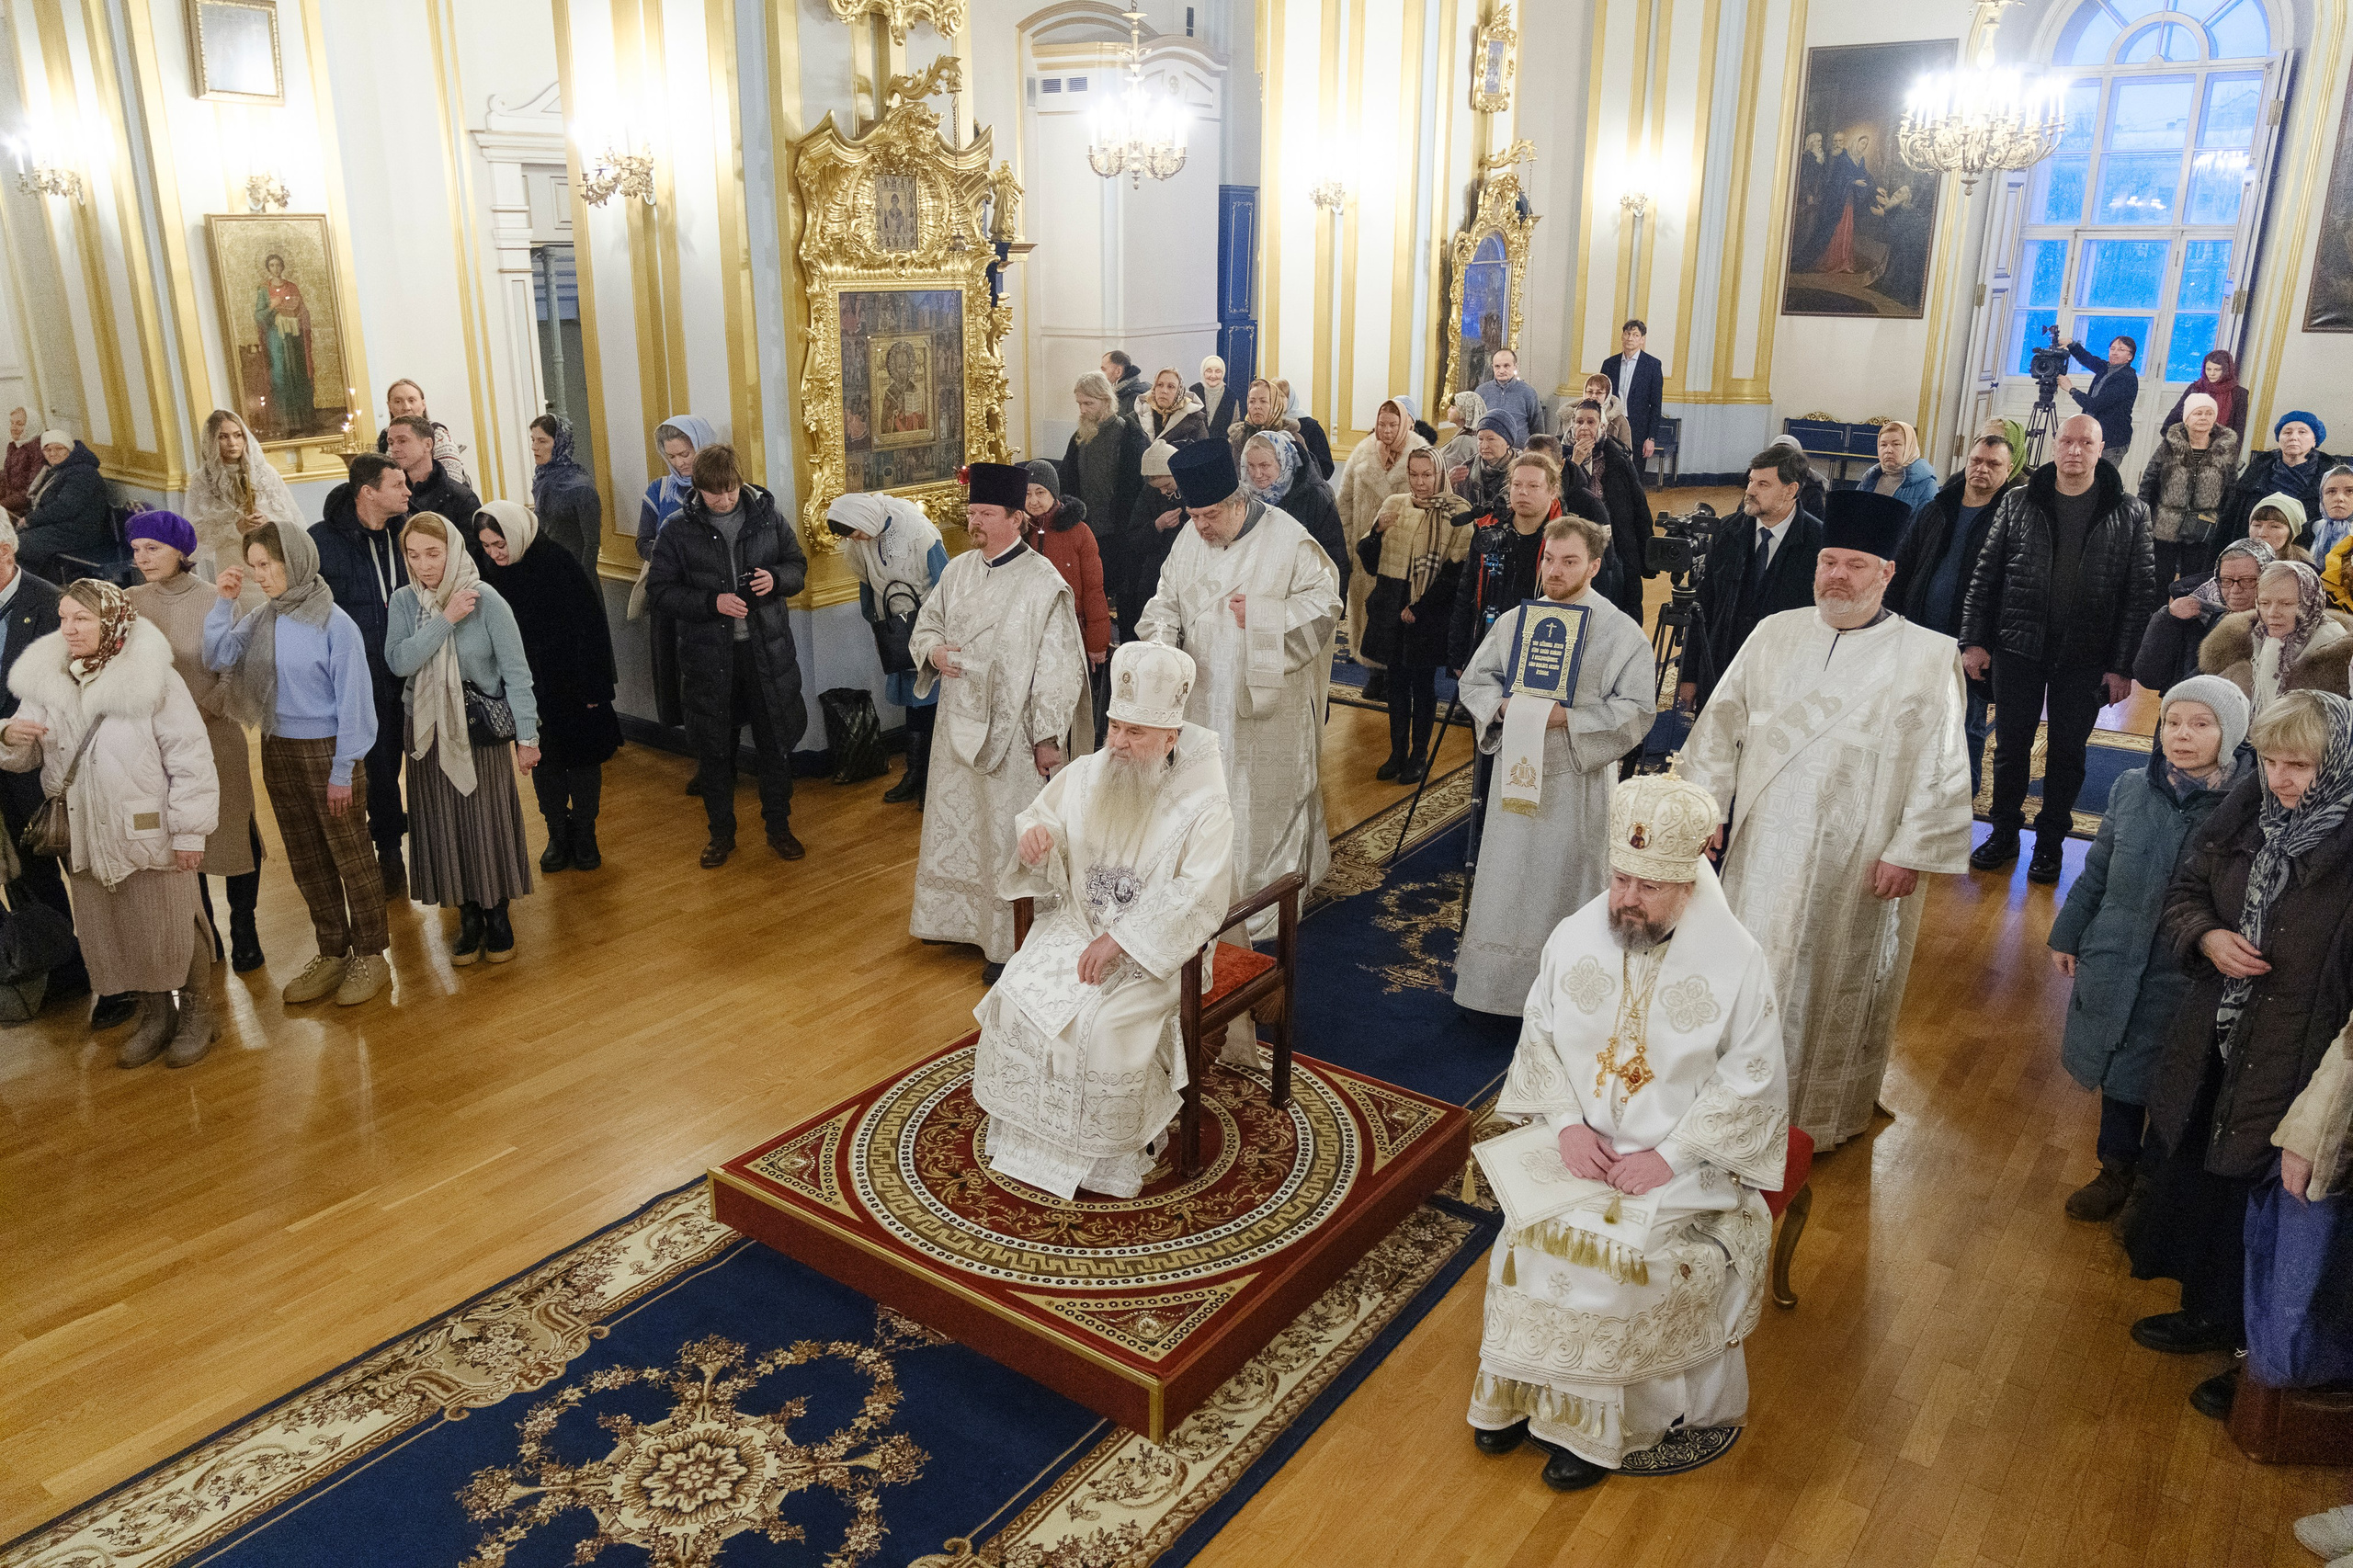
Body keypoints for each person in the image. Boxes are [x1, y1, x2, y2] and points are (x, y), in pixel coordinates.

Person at [1466, 770, 1788, 1492]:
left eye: (1648, 886)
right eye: (1620, 878)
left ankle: (1593, 1429)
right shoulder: (1577, 936)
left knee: (1614, 1258)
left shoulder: (1738, 964)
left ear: (1690, 882)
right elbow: (1540, 1035)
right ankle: (1518, 1394)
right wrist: (1564, 1124)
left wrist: (1669, 1158)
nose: (1626, 900)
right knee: (1526, 1237)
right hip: (1578, 1150)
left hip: (1685, 1166)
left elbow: (1753, 1079)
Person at [1681, 489, 1973, 1150]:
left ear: (1886, 573)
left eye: (1855, 565)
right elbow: (1719, 726)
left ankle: (1817, 1114)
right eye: (1828, 562)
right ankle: (1729, 1105)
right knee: (1748, 969)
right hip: (1761, 849)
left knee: (1833, 978)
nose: (1837, 576)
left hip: (1859, 858)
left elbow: (1945, 764)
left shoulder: (1928, 655)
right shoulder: (1774, 633)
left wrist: (1910, 850)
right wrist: (1706, 808)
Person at [2128, 690, 2353, 1420]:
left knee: (2274, 1214)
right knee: (2204, 1181)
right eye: (2272, 762)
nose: (2282, 780)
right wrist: (2207, 937)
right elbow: (2187, 891)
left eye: (2301, 766)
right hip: (2220, 1036)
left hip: (2302, 1055)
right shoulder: (2247, 810)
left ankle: (2257, 1359)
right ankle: (2209, 1314)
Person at [975, 641, 1236, 1199]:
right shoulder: (1090, 772)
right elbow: (1041, 816)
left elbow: (1199, 896)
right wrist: (1035, 840)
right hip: (1077, 928)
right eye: (1114, 726)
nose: (1116, 743)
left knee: (1104, 1028)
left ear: (1170, 737)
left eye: (1134, 732)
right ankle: (1029, 1140)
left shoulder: (1205, 805)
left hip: (1157, 954)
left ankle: (1103, 1159)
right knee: (1014, 996)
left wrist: (1121, 940)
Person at [2048, 676, 2249, 1222]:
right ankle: (2114, 1168)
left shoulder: (2245, 808)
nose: (2182, 736)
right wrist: (2070, 932)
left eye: (2200, 725)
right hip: (2116, 950)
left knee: (2167, 1075)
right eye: (2173, 723)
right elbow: (2097, 871)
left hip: (2182, 967)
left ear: (2229, 732)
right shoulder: (2132, 787)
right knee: (2119, 1067)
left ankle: (2154, 1187)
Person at [0, 581, 219, 1067]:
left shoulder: (156, 679)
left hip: (147, 825)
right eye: (63, 618)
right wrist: (10, 736)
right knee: (118, 931)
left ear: (113, 621)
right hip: (82, 831)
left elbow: (191, 760)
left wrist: (189, 832)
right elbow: (23, 756)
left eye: (82, 618)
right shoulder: (47, 677)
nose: (69, 629)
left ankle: (200, 1014)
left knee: (174, 923)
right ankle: (156, 1014)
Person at [1451, 516, 1657, 1016]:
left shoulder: (1620, 631)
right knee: (1507, 877)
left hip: (1575, 780)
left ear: (1594, 564)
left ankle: (1568, 996)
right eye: (1549, 560)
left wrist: (1572, 719)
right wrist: (1503, 708)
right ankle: (1495, 991)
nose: (1555, 571)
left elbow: (1638, 709)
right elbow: (1475, 682)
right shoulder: (1515, 622)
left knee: (1565, 879)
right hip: (1515, 780)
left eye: (1569, 562)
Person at [1138, 441, 1343, 936]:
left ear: (1237, 502)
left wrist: (1269, 617)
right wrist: (1163, 645)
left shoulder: (1288, 539)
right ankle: (1203, 891)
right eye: (1193, 515)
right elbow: (1165, 600)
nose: (1200, 526)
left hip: (1266, 710)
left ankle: (1263, 899)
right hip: (1202, 699)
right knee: (1205, 797)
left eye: (1209, 515)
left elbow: (1326, 606)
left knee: (1259, 803)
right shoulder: (1189, 538)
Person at [1961, 414, 2159, 884]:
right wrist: (1974, 640)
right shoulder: (2017, 501)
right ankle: (2003, 832)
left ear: (2101, 448)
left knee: (2068, 754)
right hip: (2017, 646)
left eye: (2084, 442)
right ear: (2054, 445)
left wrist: (2122, 667)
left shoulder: (2130, 511)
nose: (2074, 450)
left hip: (2086, 656)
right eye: (2067, 441)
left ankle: (2050, 843)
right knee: (2011, 748)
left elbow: (2139, 596)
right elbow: (1985, 577)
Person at [908, 462, 1087, 980]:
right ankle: (960, 923)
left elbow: (1057, 668)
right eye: (971, 513)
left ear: (1017, 518)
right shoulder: (958, 570)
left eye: (986, 513)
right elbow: (928, 624)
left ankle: (1012, 938)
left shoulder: (1042, 584)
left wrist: (1048, 738)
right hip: (957, 726)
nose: (975, 522)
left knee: (1009, 830)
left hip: (1015, 737)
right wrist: (935, 651)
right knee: (962, 822)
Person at [207, 524, 388, 1007]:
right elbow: (219, 655)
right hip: (277, 749)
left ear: (297, 561)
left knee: (351, 855)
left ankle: (372, 956)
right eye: (255, 567)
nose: (260, 576)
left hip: (330, 752)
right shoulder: (264, 617)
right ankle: (332, 950)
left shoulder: (335, 624)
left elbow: (356, 706)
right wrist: (224, 602)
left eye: (268, 565)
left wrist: (343, 770)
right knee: (307, 858)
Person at [383, 513, 539, 964]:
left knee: (484, 821)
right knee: (443, 823)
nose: (424, 565)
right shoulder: (403, 602)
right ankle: (467, 914)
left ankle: (497, 913)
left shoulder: (486, 598)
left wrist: (527, 737)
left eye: (433, 553)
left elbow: (516, 675)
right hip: (427, 730)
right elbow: (400, 662)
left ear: (452, 549)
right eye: (413, 556)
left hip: (479, 731)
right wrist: (445, 620)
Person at [646, 444, 809, 867]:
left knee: (775, 746)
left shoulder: (768, 517)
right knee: (716, 751)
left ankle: (779, 827)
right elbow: (660, 593)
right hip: (709, 660)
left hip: (767, 654)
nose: (725, 499)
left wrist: (775, 578)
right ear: (697, 489)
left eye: (731, 489)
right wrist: (711, 603)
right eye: (715, 493)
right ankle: (721, 835)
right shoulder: (676, 530)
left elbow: (797, 567)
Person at [126, 512, 265, 974]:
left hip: (215, 734)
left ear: (182, 552)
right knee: (184, 841)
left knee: (233, 833)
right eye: (136, 548)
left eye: (153, 548)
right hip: (157, 744)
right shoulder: (129, 602)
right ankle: (204, 933)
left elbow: (238, 673)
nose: (141, 557)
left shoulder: (216, 600)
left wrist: (198, 710)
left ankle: (244, 927)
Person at [475, 500, 621, 870]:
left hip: (574, 682)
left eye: (500, 544)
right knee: (544, 761)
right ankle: (557, 832)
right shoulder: (491, 573)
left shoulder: (559, 562)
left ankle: (585, 832)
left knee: (584, 761)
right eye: (487, 546)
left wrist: (595, 688)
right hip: (527, 688)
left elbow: (591, 626)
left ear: (516, 533)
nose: (495, 553)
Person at [0, 514, 100, 1019]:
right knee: (24, 873)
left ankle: (112, 973)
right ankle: (61, 968)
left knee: (81, 870)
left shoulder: (49, 606)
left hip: (46, 767)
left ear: (6, 553)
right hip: (4, 759)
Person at [1888, 433, 2020, 795]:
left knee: (1967, 726)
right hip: (1920, 632)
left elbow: (2011, 590)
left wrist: (1986, 641)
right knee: (1911, 719)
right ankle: (1910, 797)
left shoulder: (2012, 517)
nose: (1982, 469)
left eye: (1993, 464)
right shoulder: (1936, 508)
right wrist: (1892, 625)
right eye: (1976, 461)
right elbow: (1902, 567)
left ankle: (1961, 803)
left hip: (1971, 643)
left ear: (2009, 471)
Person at [313, 452, 415, 896]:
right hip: (361, 675)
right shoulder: (322, 541)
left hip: (411, 667)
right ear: (368, 493)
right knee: (376, 766)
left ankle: (430, 848)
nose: (409, 492)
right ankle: (387, 851)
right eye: (399, 485)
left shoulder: (407, 534)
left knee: (415, 759)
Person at [826, 491, 947, 806]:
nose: (859, 537)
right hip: (896, 630)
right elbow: (867, 582)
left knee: (934, 701)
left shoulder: (917, 532)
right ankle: (915, 774)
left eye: (857, 530)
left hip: (929, 627)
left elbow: (946, 581)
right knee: (913, 702)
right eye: (853, 534)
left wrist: (937, 628)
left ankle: (934, 782)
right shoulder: (860, 540)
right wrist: (877, 622)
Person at [1359, 449, 1471, 781]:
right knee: (1395, 685)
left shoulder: (1458, 512)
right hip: (1392, 604)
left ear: (1440, 474)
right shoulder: (1394, 503)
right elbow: (1367, 559)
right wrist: (1377, 532)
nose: (1420, 482)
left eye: (1427, 475)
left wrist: (1420, 607)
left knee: (1422, 686)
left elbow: (1456, 572)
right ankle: (1397, 753)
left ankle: (1419, 756)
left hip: (1429, 610)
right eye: (1414, 474)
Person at [1686, 446, 1825, 708]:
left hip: (1781, 683)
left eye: (1763, 484)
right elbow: (1704, 604)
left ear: (1791, 490)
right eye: (1751, 480)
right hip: (1721, 670)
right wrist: (1690, 675)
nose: (1750, 491)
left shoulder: (1818, 543)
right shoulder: (1728, 530)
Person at [1449, 451, 1607, 671]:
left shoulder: (1570, 537)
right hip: (1488, 643)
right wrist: (1457, 655)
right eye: (1516, 484)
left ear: (1553, 491)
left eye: (1534, 486)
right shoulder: (1489, 528)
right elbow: (1467, 591)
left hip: (1544, 648)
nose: (1523, 492)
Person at [634, 413, 718, 742]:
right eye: (672, 456)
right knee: (678, 678)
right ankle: (700, 754)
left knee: (713, 679)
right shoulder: (659, 490)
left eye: (686, 453)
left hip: (709, 599)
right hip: (670, 600)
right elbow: (643, 542)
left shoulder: (719, 489)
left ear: (703, 446)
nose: (680, 463)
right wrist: (674, 555)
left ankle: (720, 756)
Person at [1336, 397, 1428, 687]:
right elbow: (1346, 501)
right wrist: (1349, 544)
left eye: (1393, 424)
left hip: (1403, 550)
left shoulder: (1420, 452)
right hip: (1366, 548)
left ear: (1404, 424)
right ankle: (1372, 672)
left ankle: (1394, 675)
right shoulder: (1362, 453)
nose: (1386, 430)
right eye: (1381, 424)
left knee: (1396, 612)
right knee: (1365, 608)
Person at [2198, 559, 2350, 717]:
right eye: (2264, 603)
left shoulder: (2342, 660)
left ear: (2311, 602)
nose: (2272, 613)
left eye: (2286, 604)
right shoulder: (2249, 644)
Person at [187, 410, 303, 608]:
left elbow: (291, 519)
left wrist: (267, 522)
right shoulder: (203, 480)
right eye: (223, 437)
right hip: (232, 561)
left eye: (237, 435)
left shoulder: (265, 473)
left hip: (267, 557)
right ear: (212, 441)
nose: (232, 443)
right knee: (241, 616)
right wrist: (235, 528)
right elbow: (197, 533)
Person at [1060, 373, 1148, 624]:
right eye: (1080, 404)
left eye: (1089, 403)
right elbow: (1068, 480)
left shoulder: (1127, 434)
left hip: (1117, 532)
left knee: (1123, 595)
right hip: (1086, 529)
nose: (1083, 409)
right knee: (1089, 596)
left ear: (1106, 401)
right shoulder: (1080, 437)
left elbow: (1134, 486)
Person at [2132, 538, 2270, 694]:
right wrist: (2168, 620)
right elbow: (2149, 676)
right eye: (2226, 580)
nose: (2235, 589)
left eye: (2248, 580)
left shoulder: (2275, 627)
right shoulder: (2199, 610)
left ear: (2267, 579)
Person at [1022, 461, 1111, 703]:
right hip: (1027, 632)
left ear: (1054, 493)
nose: (1033, 501)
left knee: (1067, 699)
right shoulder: (1018, 532)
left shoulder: (1079, 532)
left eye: (1040, 493)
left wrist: (1097, 643)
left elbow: (1094, 590)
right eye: (1027, 494)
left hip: (1071, 632)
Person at [1563, 398, 1653, 629]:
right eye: (1579, 421)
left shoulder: (1618, 460)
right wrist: (1575, 462)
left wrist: (1647, 556)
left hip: (1617, 545)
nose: (1584, 427)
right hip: (1575, 544)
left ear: (1602, 427)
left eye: (1590, 422)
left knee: (1619, 613)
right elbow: (1558, 498)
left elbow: (1639, 508)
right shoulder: (1560, 458)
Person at [2137, 392, 2242, 585]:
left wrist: (2223, 522)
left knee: (2193, 583)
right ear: (2186, 418)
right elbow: (2149, 482)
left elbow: (2231, 489)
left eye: (2209, 413)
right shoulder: (2168, 446)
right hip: (2165, 526)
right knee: (2159, 580)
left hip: (2204, 528)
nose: (2203, 418)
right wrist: (2143, 518)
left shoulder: (2225, 449)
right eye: (2198, 413)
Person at [1241, 428, 1347, 593]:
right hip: (1258, 592)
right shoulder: (1246, 498)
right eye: (1251, 466)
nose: (1257, 474)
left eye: (1264, 465)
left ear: (1283, 462)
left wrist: (1335, 604)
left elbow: (1334, 554)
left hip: (1301, 590)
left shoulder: (1314, 496)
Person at [2219, 412, 2337, 551]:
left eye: (2302, 432)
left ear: (2314, 440)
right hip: (2252, 550)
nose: (2293, 437)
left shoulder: (2330, 478)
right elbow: (2229, 521)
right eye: (2287, 432)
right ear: (2278, 438)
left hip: (2303, 554)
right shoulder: (2257, 471)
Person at [18, 430, 109, 578]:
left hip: (78, 531)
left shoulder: (83, 473)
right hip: (62, 528)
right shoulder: (62, 470)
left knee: (18, 545)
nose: (53, 453)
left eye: (59, 448)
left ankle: (34, 589)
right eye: (47, 450)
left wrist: (30, 520)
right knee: (12, 541)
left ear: (70, 449)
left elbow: (65, 507)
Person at [528, 415, 600, 583]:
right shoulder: (542, 479)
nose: (534, 447)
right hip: (547, 570)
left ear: (560, 443)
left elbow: (592, 544)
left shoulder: (580, 486)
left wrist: (582, 583)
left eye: (542, 441)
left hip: (574, 574)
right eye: (533, 440)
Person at [1127, 439, 1187, 624]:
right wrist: (1157, 526)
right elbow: (1134, 537)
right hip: (1156, 572)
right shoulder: (1148, 492)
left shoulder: (1193, 486)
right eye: (1157, 488)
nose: (1162, 492)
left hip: (1187, 572)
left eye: (1167, 485)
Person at [372, 379, 471, 489]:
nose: (406, 407)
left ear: (423, 404)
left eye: (412, 400)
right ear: (389, 406)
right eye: (398, 401)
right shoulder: (384, 438)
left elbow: (452, 483)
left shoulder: (437, 435)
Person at [384, 415, 481, 526]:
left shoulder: (461, 498)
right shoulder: (390, 496)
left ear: (428, 445)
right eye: (391, 443)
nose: (394, 449)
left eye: (402, 441)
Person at [1597, 321, 1665, 462]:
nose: (1630, 338)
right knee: (1611, 473)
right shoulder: (1609, 364)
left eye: (1635, 335)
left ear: (1642, 340)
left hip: (1638, 430)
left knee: (1636, 476)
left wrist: (1651, 438)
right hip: (1612, 425)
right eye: (1627, 334)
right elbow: (1601, 399)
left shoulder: (1652, 365)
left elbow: (1656, 405)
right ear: (1622, 336)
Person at [2063, 334, 2140, 454]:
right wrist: (2071, 344)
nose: (2114, 352)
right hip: (2093, 436)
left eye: (2121, 350)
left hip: (2112, 441)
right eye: (2112, 348)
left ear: (2130, 356)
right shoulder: (2106, 368)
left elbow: (2095, 405)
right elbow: (2088, 359)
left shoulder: (2126, 378)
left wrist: (2071, 389)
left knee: (2102, 473)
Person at [2158, 347, 2248, 446]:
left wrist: (2231, 456)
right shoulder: (2196, 388)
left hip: (2220, 450)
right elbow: (2173, 418)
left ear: (2227, 370)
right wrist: (2177, 444)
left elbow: (2239, 429)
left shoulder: (2239, 394)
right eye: (2208, 369)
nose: (2212, 373)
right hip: (2190, 447)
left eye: (2217, 369)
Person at [1472, 347, 1544, 449]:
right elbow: (1474, 425)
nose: (1501, 370)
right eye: (1497, 366)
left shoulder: (1528, 393)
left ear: (1515, 366)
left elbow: (1537, 428)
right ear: (1492, 367)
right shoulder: (1481, 391)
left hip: (1519, 455)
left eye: (1506, 366)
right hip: (1487, 452)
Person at [1863, 420, 1938, 512]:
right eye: (1883, 445)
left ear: (1909, 447)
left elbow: (1929, 524)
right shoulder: (1870, 476)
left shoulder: (1927, 484)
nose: (1888, 450)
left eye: (1896, 444)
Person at [1451, 415, 1518, 515]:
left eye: (1491, 439)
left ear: (1508, 443)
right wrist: (1448, 482)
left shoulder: (1522, 469)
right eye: (1480, 439)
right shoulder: (1467, 469)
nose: (1484, 446)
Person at [1227, 378, 1302, 467]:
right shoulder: (1237, 438)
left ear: (1276, 405)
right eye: (1252, 401)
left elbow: (1307, 476)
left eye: (1263, 401)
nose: (1257, 406)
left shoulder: (1292, 438)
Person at [1275, 379, 1336, 479]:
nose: (1276, 401)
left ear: (1290, 399)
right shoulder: (1267, 425)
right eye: (1272, 397)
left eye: (1281, 396)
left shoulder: (1311, 426)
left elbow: (1326, 469)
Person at [1763, 433, 1832, 521]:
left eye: (1786, 458)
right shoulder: (1760, 486)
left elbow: (1816, 526)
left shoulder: (1811, 492)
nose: (1781, 463)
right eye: (1777, 456)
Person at [1136, 369, 1209, 447]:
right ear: (1154, 388)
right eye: (1160, 385)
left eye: (1171, 387)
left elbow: (1204, 454)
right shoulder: (1139, 414)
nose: (1164, 391)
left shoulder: (1194, 420)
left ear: (1179, 391)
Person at [1571, 372, 1636, 452]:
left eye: (1599, 393)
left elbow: (1627, 453)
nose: (1593, 396)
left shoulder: (1619, 421)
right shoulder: (1569, 416)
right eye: (1590, 392)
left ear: (1607, 395)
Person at [2244, 493, 2312, 564]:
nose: (2262, 533)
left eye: (2274, 526)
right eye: (2256, 525)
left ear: (2292, 532)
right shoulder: (2237, 562)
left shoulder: (2301, 570)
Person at [2308, 463, 2353, 568]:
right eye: (2331, 491)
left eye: (2350, 491)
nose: (2339, 498)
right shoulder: (2307, 531)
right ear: (2322, 497)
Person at [0, 407, 40, 517]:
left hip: (25, 510)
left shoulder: (38, 451)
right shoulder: (15, 445)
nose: (13, 428)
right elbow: (7, 478)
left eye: (19, 424)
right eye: (12, 423)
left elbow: (30, 491)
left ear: (31, 425)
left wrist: (2, 504)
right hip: (10, 503)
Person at [1191, 355, 1240, 441]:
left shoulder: (1231, 397)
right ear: (1203, 372)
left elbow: (1234, 428)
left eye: (1218, 371)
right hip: (1195, 446)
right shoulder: (1193, 392)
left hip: (1220, 448)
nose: (1213, 376)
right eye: (1209, 371)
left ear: (1223, 373)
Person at [1101, 349, 1147, 417]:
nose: (1101, 374)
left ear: (1118, 372)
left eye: (1104, 369)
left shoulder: (1133, 398)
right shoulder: (1125, 393)